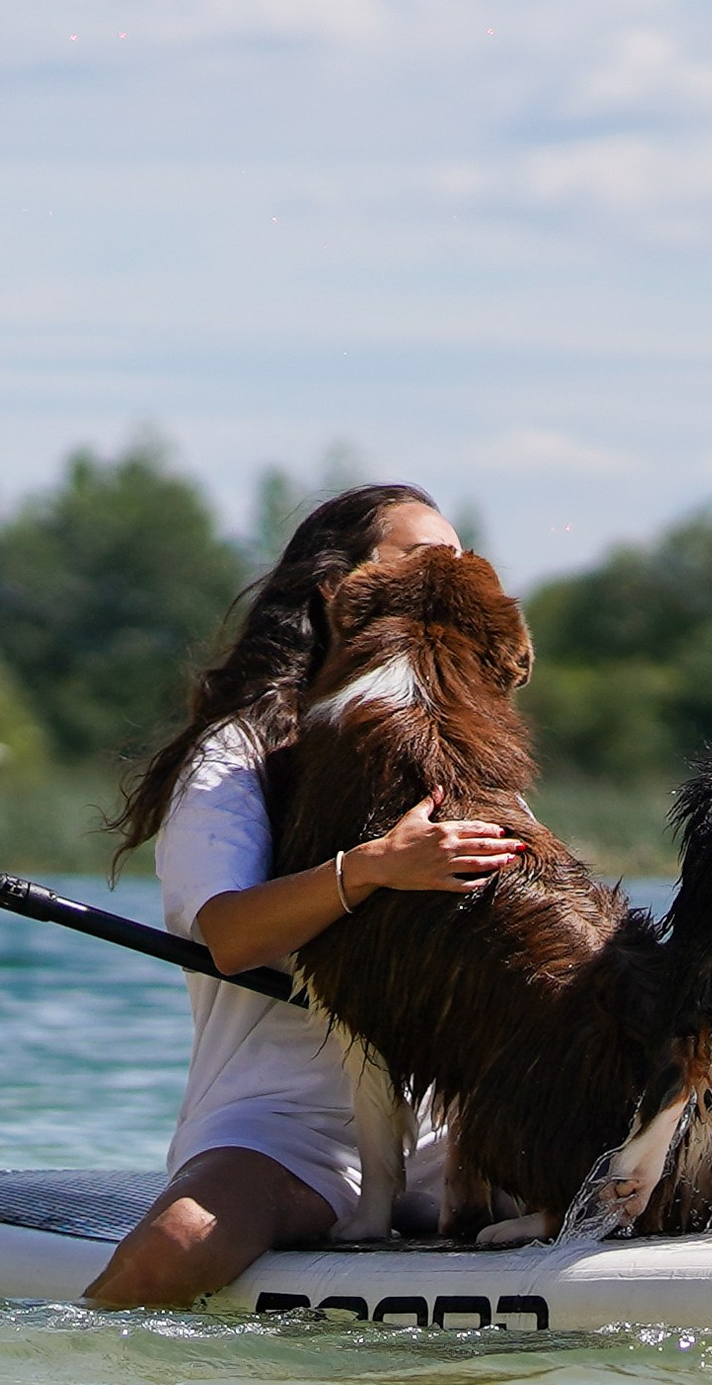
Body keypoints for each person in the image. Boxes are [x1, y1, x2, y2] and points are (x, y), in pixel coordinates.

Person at [85, 483, 522, 1310]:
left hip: (458, 1135)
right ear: (337, 588)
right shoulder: (239, 752)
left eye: (466, 564)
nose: (464, 583)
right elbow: (228, 936)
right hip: (284, 1133)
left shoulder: (467, 752)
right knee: (175, 1246)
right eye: (431, 560)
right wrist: (372, 868)